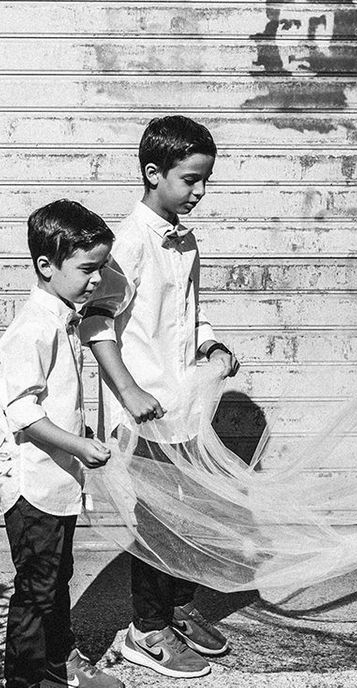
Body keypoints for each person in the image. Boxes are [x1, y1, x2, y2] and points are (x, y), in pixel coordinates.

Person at [79, 116, 240, 679]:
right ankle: (146, 630)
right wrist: (127, 389)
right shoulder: (128, 241)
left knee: (188, 510)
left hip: (184, 404)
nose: (200, 191)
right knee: (155, 519)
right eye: (191, 179)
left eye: (206, 180)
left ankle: (177, 607)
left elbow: (190, 312)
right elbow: (96, 321)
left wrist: (211, 344)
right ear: (153, 173)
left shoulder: (186, 240)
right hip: (145, 411)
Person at [0, 199, 124, 688]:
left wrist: (78, 438)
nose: (97, 279)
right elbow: (23, 413)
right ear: (46, 266)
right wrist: (80, 446)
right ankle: (25, 680)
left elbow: (56, 399)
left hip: (57, 481)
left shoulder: (63, 318)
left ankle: (58, 665)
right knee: (36, 591)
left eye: (101, 268)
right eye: (87, 269)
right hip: (32, 487)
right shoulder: (33, 327)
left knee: (55, 577)